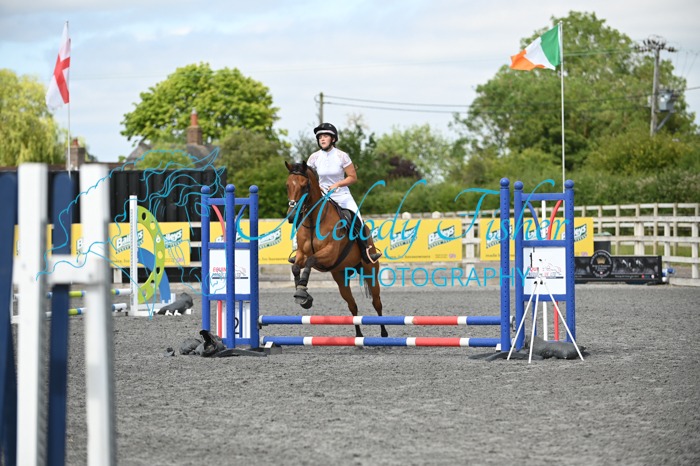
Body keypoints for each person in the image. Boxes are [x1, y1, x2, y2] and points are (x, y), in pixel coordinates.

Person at [307, 122, 382, 263]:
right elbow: (307, 177)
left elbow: (353, 177)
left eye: (325, 136)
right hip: (322, 196)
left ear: (333, 139)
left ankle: (366, 251)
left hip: (341, 195)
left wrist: (338, 184)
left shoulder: (342, 156)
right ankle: (297, 249)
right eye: (320, 137)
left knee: (358, 219)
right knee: (303, 215)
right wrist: (317, 186)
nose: (322, 139)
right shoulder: (314, 157)